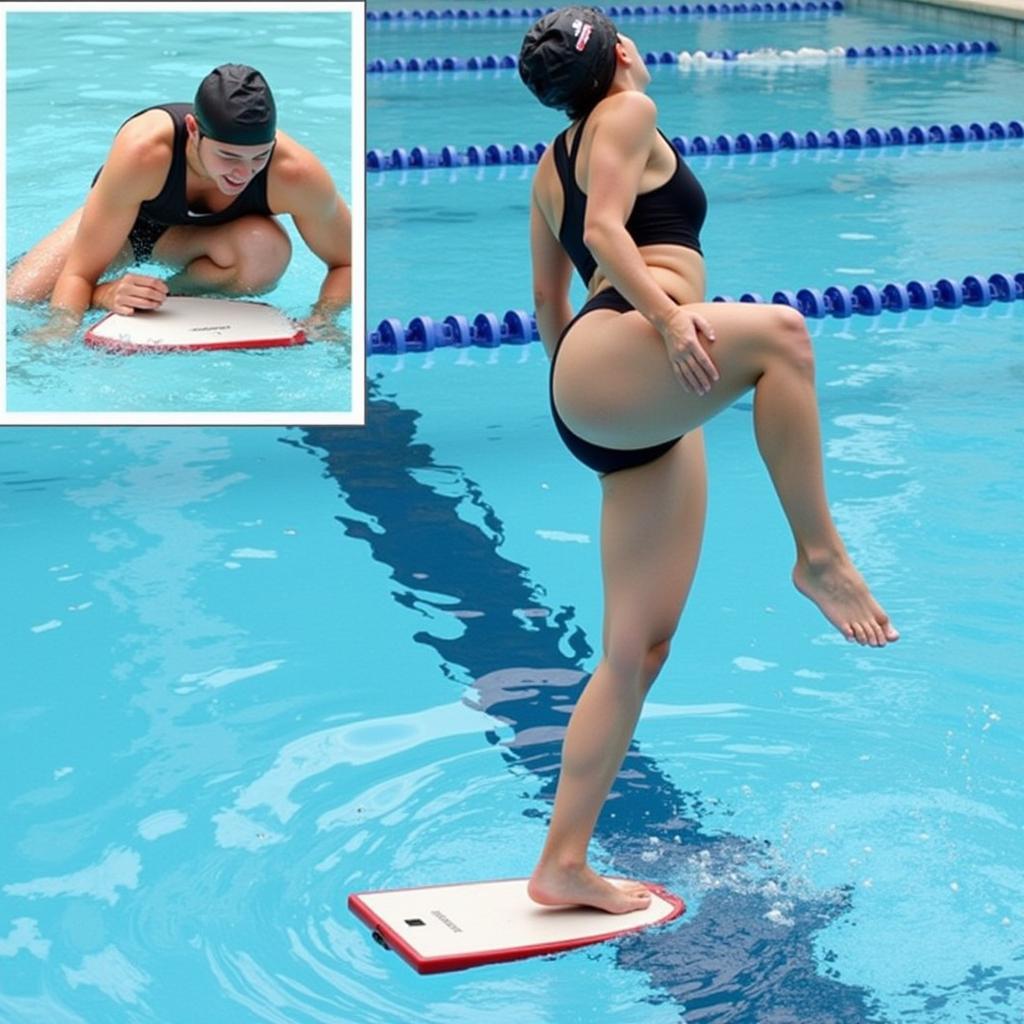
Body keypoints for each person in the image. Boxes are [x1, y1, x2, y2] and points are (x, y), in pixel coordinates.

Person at [518, 7, 899, 916]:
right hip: (625, 351)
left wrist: (595, 406)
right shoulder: (628, 112)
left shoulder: (548, 162)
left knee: (637, 650)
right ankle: (819, 556)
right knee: (784, 337)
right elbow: (608, 234)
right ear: (613, 57)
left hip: (605, 387)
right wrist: (663, 319)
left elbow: (544, 295)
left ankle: (561, 864)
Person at [7, 64, 351, 341]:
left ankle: (159, 293)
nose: (242, 174)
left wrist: (325, 317)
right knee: (20, 300)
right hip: (124, 230)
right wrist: (88, 306)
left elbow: (349, 262)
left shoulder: (295, 174)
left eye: (259, 157)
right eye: (228, 156)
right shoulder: (143, 153)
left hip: (197, 244)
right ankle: (116, 291)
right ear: (193, 130)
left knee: (265, 250)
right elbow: (80, 274)